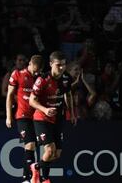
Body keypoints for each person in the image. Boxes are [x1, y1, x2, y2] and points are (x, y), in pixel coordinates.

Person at [29, 51, 77, 183]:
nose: (61, 68)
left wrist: (72, 114)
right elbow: (32, 100)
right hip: (42, 119)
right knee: (50, 151)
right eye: (58, 65)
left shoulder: (66, 78)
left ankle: (36, 166)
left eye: (63, 65)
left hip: (58, 119)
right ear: (51, 64)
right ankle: (45, 179)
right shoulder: (42, 79)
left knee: (57, 155)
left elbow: (68, 95)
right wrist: (45, 109)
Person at [6, 54, 44, 183]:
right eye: (35, 69)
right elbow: (9, 95)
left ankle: (26, 178)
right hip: (22, 116)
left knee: (33, 148)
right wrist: (8, 116)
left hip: (37, 117)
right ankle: (27, 178)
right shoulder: (17, 74)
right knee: (30, 144)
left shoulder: (40, 77)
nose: (36, 72)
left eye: (39, 71)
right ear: (30, 64)